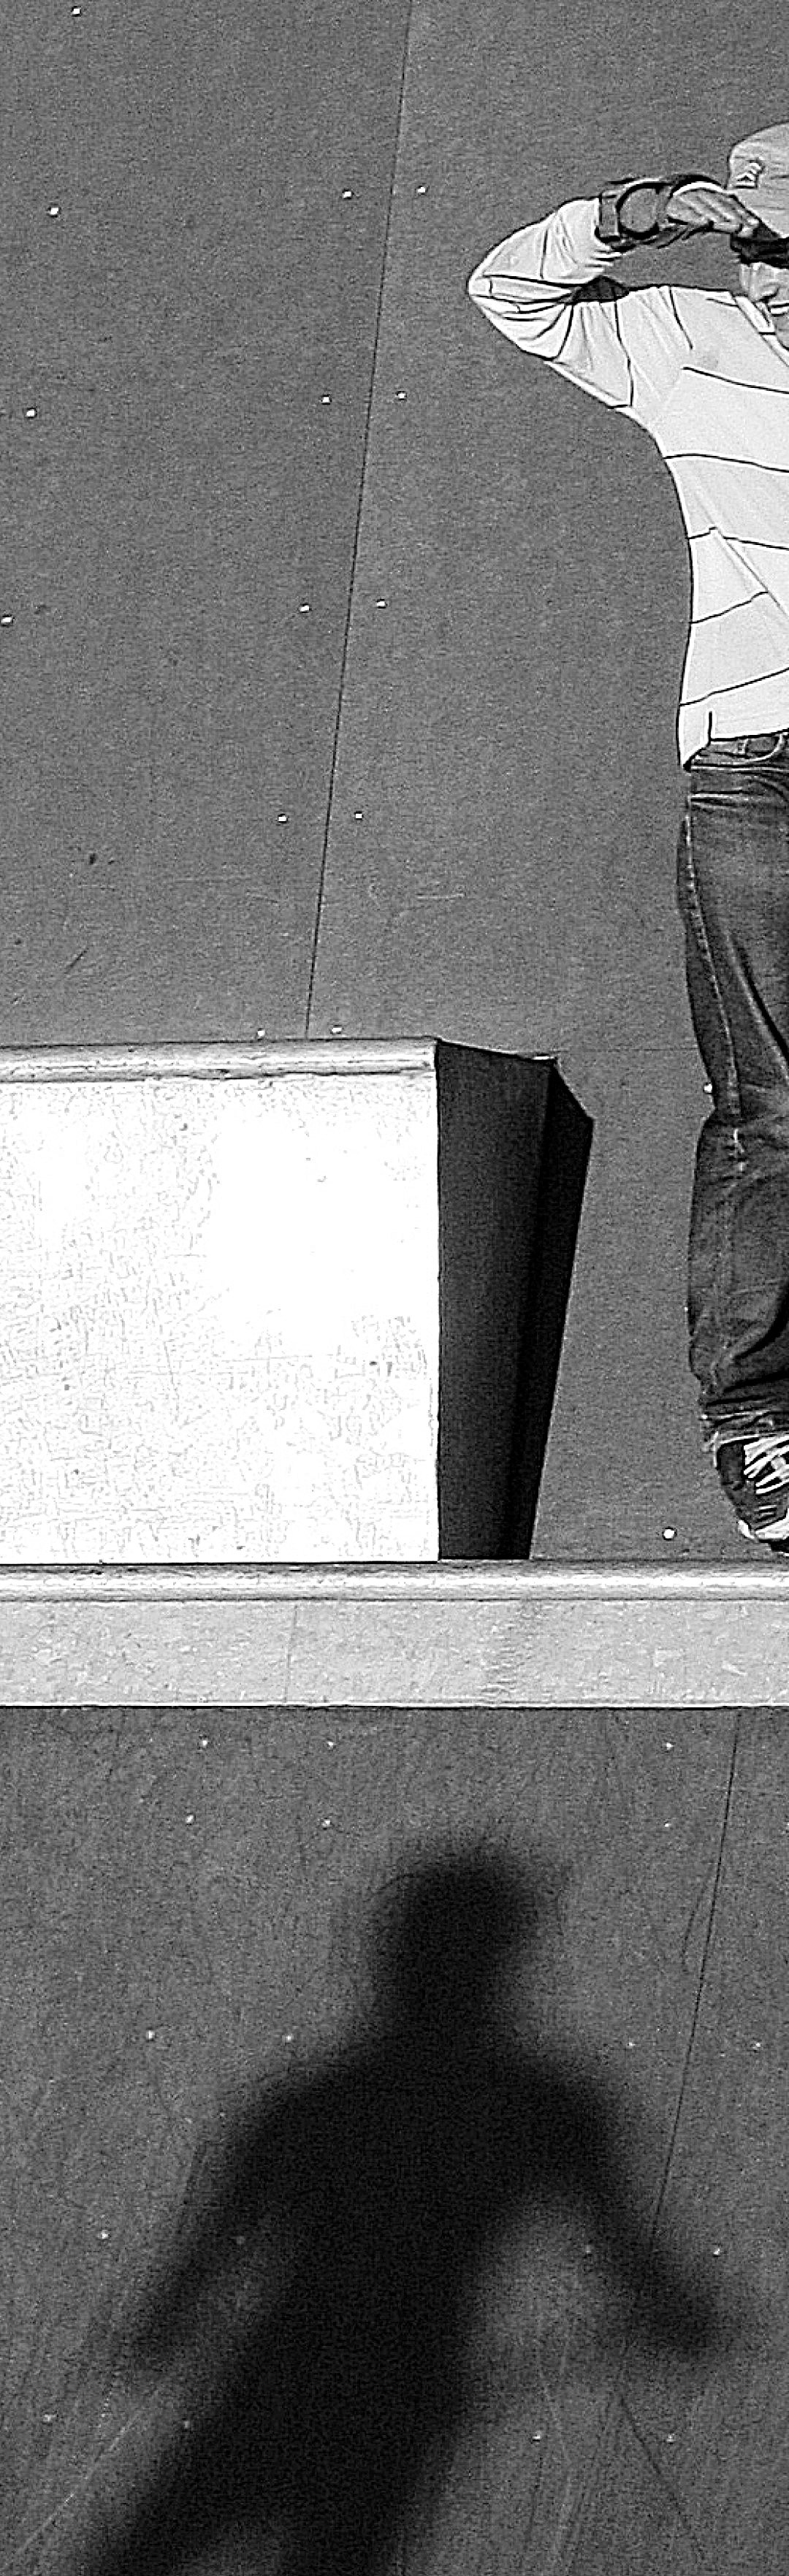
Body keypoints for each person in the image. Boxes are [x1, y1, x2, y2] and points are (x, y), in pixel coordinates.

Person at [473, 128, 789, 1549]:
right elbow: (507, 294)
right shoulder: (679, 337)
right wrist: (627, 215)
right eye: (765, 253)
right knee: (773, 1106)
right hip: (750, 766)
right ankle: (755, 1420)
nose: (777, 282)